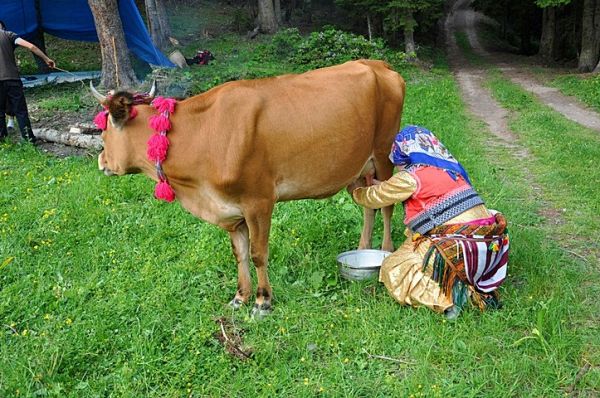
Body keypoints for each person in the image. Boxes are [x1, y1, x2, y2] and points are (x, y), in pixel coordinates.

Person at [349, 126, 510, 320]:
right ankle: (468, 282)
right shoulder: (450, 170)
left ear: (404, 157)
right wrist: (386, 187)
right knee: (412, 242)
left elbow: (373, 197)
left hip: (456, 250)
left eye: (397, 162)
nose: (397, 168)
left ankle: (460, 298)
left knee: (394, 266)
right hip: (489, 250)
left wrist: (355, 189)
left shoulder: (411, 176)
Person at [0, 20, 55, 143]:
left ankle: (2, 140)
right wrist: (47, 59)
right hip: (12, 79)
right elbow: (31, 46)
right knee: (20, 110)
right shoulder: (9, 35)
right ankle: (29, 139)